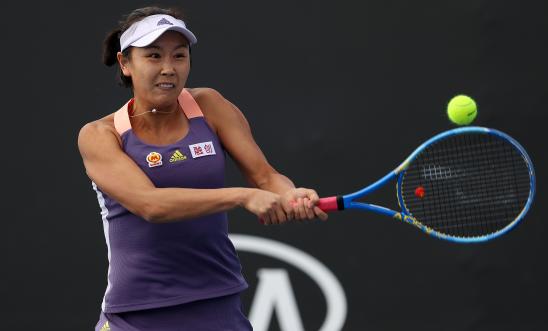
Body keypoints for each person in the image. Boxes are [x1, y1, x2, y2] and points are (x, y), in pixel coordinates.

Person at [77, 6, 328, 331]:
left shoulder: (210, 106)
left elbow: (265, 176)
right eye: (154, 56)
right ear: (126, 63)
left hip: (217, 306)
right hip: (135, 316)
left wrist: (290, 194)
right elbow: (150, 204)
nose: (168, 68)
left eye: (179, 56)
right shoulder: (100, 135)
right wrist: (242, 196)